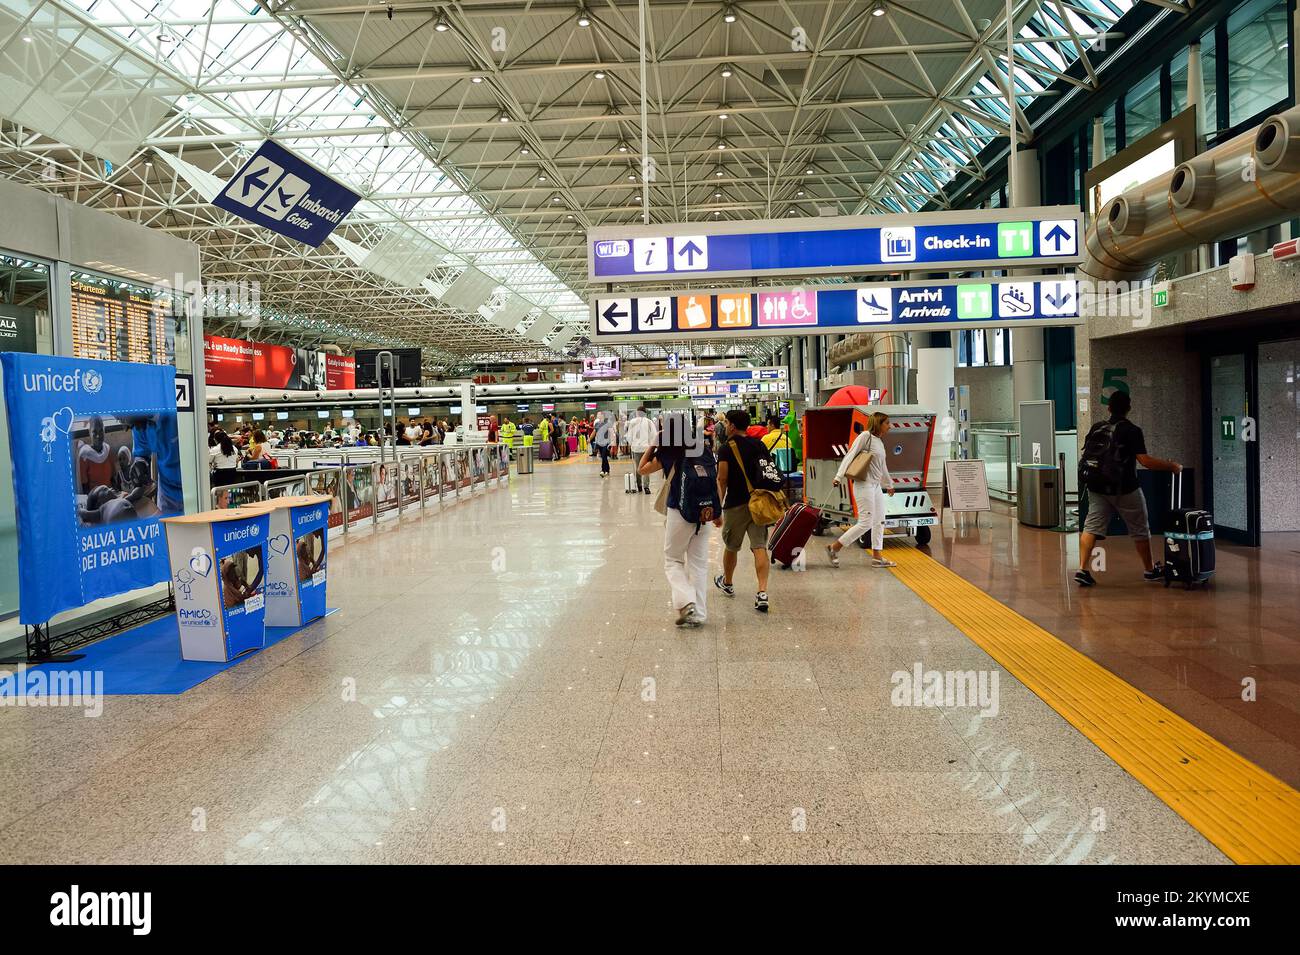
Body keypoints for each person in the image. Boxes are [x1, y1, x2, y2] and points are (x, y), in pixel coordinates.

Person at [1075, 391, 1182, 587]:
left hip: (1097, 486)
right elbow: (1145, 461)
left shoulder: (1098, 427)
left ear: (1109, 408)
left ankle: (1082, 568)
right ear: (1129, 408)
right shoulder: (1132, 430)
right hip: (1125, 488)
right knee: (1140, 529)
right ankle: (1149, 570)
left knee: (1091, 526)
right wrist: (1171, 466)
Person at [640, 412, 720, 627]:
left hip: (679, 511)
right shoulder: (703, 447)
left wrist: (653, 444)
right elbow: (715, 480)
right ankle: (700, 614)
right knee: (699, 565)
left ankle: (686, 602)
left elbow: (642, 469)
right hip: (705, 512)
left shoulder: (668, 452)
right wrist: (718, 512)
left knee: (673, 560)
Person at [714, 409, 772, 613]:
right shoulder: (759, 444)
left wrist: (716, 507)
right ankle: (762, 592)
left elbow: (722, 479)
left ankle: (728, 583)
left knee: (731, 546)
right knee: (759, 547)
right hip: (759, 503)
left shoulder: (725, 448)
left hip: (736, 504)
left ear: (731, 425)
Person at [827, 412, 897, 568]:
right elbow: (850, 455)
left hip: (876, 486)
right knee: (866, 523)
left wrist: (889, 484)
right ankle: (834, 548)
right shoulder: (866, 437)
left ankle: (877, 557)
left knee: (879, 520)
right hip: (863, 485)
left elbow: (882, 466)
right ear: (878, 424)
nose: (890, 426)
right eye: (887, 423)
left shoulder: (879, 441)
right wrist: (838, 476)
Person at [77, 416, 115, 494]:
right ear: (89, 432)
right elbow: (85, 487)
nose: (98, 436)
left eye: (101, 431)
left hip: (110, 494)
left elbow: (113, 478)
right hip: (95, 498)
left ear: (104, 431)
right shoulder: (85, 455)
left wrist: (117, 495)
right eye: (94, 432)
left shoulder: (108, 450)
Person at [625, 406, 657, 493]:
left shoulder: (632, 422)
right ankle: (646, 487)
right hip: (647, 448)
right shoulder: (649, 422)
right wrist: (651, 446)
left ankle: (639, 486)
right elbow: (654, 435)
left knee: (638, 467)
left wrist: (632, 444)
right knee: (646, 467)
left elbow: (629, 436)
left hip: (636, 449)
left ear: (637, 412)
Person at [592, 410, 613, 478]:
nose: (598, 416)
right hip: (599, 442)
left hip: (606, 442)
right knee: (603, 456)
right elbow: (594, 432)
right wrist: (589, 439)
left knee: (604, 455)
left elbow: (611, 432)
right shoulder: (597, 424)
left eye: (600, 414)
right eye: (598, 415)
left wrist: (612, 442)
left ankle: (603, 470)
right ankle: (607, 469)